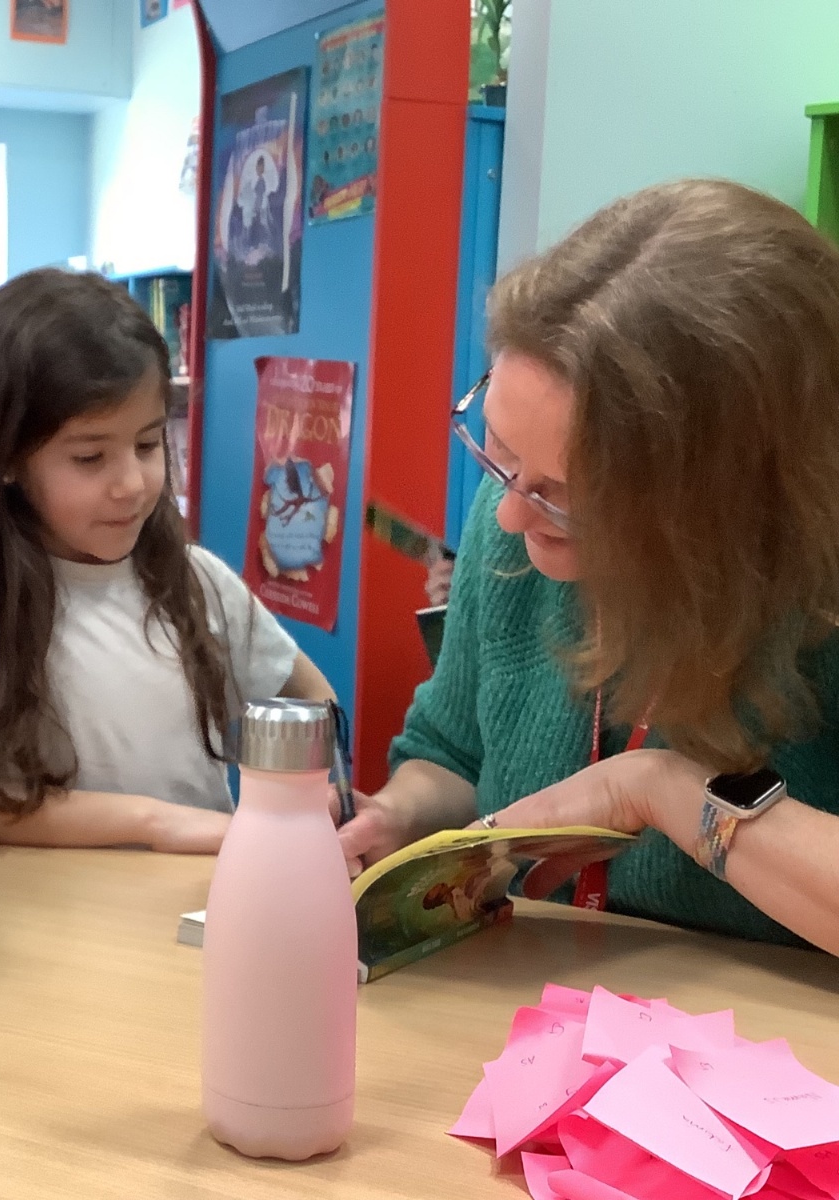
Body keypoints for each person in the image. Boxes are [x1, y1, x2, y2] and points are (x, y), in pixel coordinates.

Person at [338, 179, 839, 955]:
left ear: (730, 497)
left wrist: (661, 790)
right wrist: (394, 816)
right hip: (538, 1003)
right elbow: (454, 753)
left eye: (567, 495)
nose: (510, 516)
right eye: (499, 452)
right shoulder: (514, 518)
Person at [0, 269, 334, 853]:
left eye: (147, 445)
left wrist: (318, 799)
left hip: (191, 900)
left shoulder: (195, 581)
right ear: (5, 456)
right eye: (90, 458)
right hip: (32, 903)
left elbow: (311, 699)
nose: (132, 484)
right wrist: (154, 822)